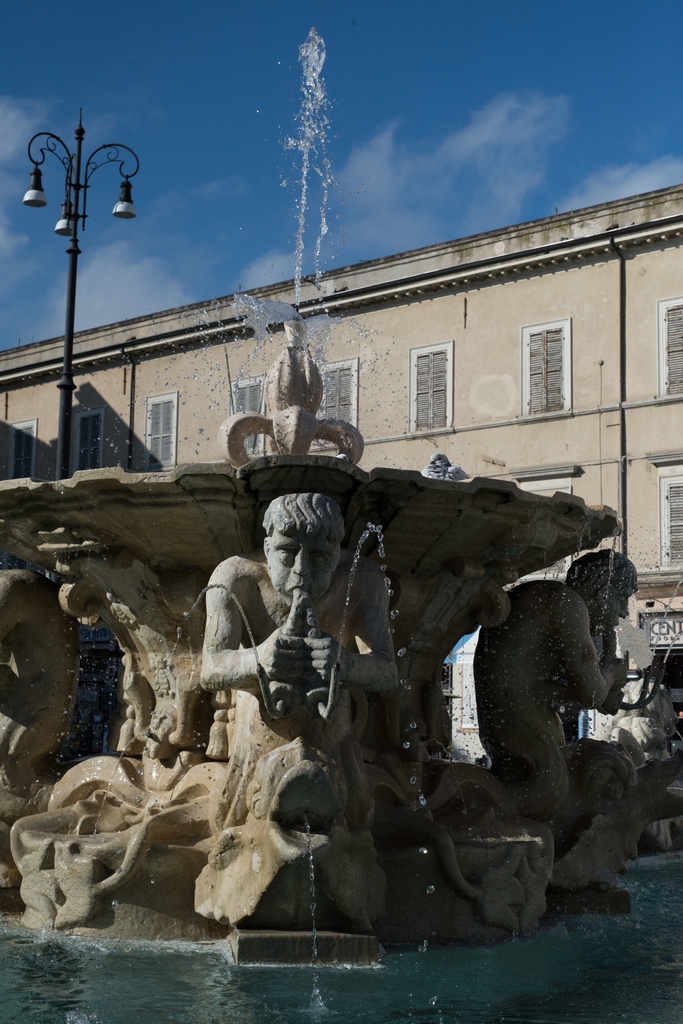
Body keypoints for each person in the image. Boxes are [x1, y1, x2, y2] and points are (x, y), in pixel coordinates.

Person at [200, 492, 397, 832]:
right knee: (236, 827)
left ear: (337, 553)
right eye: (287, 552)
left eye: (319, 556)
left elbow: (388, 671)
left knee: (351, 827)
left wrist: (344, 663)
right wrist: (259, 659)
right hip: (258, 736)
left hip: (333, 735)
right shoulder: (234, 576)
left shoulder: (363, 579)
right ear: (267, 548)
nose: (302, 569)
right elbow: (211, 667)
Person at [473, 550, 637, 821]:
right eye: (622, 598)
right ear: (603, 592)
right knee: (549, 799)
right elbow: (592, 693)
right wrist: (612, 673)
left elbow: (538, 686)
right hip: (522, 726)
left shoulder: (556, 601)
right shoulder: (568, 604)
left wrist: (601, 687)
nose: (623, 612)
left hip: (509, 722)